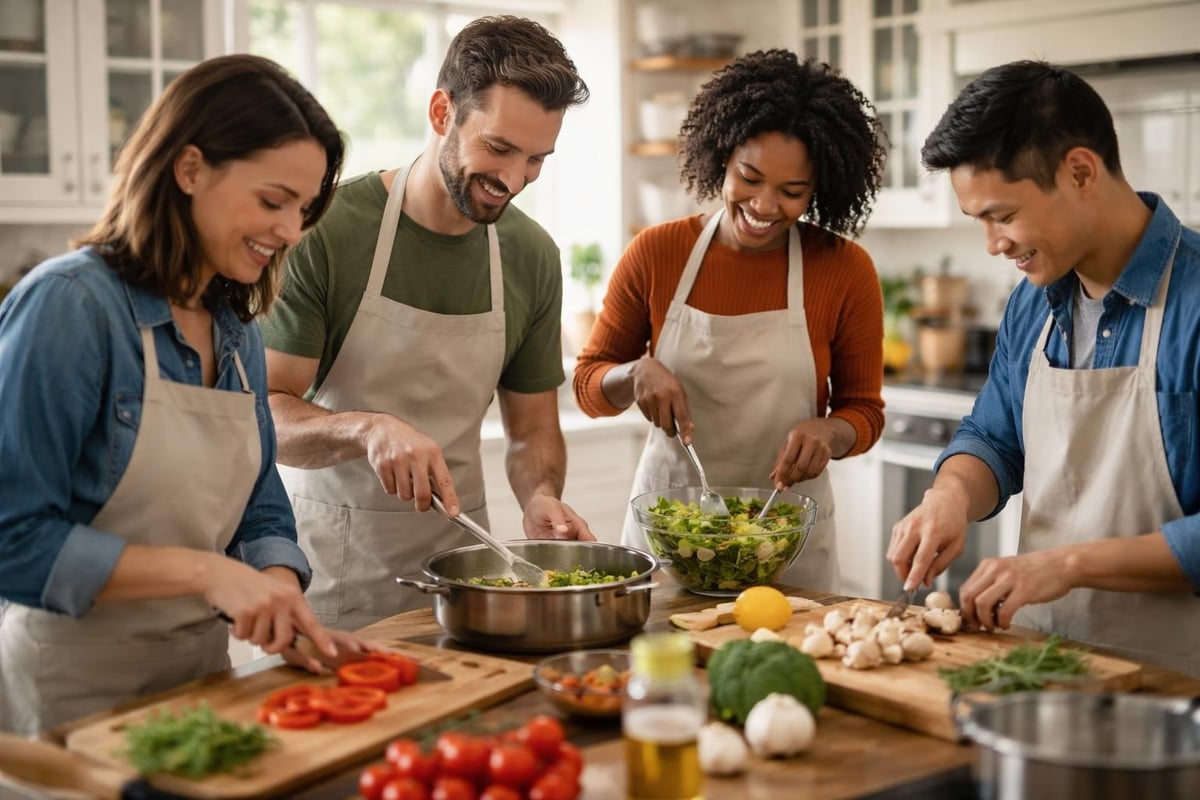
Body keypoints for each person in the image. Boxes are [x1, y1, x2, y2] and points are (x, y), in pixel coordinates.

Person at [0, 54, 372, 736]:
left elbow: (259, 509)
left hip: (199, 685)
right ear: (190, 168)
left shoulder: (238, 331)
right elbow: (11, 539)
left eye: (303, 208)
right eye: (272, 201)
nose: (292, 231)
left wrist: (279, 598)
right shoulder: (72, 306)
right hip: (63, 695)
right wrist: (206, 573)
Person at [262, 15, 595, 631]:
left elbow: (531, 430)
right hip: (332, 578)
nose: (513, 180)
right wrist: (366, 429)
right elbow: (265, 416)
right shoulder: (326, 233)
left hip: (466, 573)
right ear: (442, 112)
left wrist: (540, 493)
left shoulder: (532, 256)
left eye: (536, 160)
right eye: (498, 148)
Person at [887, 60, 1200, 676]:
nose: (992, 244)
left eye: (1002, 215)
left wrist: (1066, 564)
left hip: (1177, 689)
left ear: (1080, 171)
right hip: (1043, 669)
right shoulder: (1036, 297)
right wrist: (950, 496)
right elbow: (994, 437)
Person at [573, 50, 887, 592]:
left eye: (793, 193)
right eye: (750, 178)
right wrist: (634, 374)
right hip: (671, 537)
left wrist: (831, 433)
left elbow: (864, 412)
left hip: (786, 541)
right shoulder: (657, 253)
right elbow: (588, 386)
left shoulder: (843, 269)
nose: (764, 206)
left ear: (819, 191)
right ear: (721, 155)